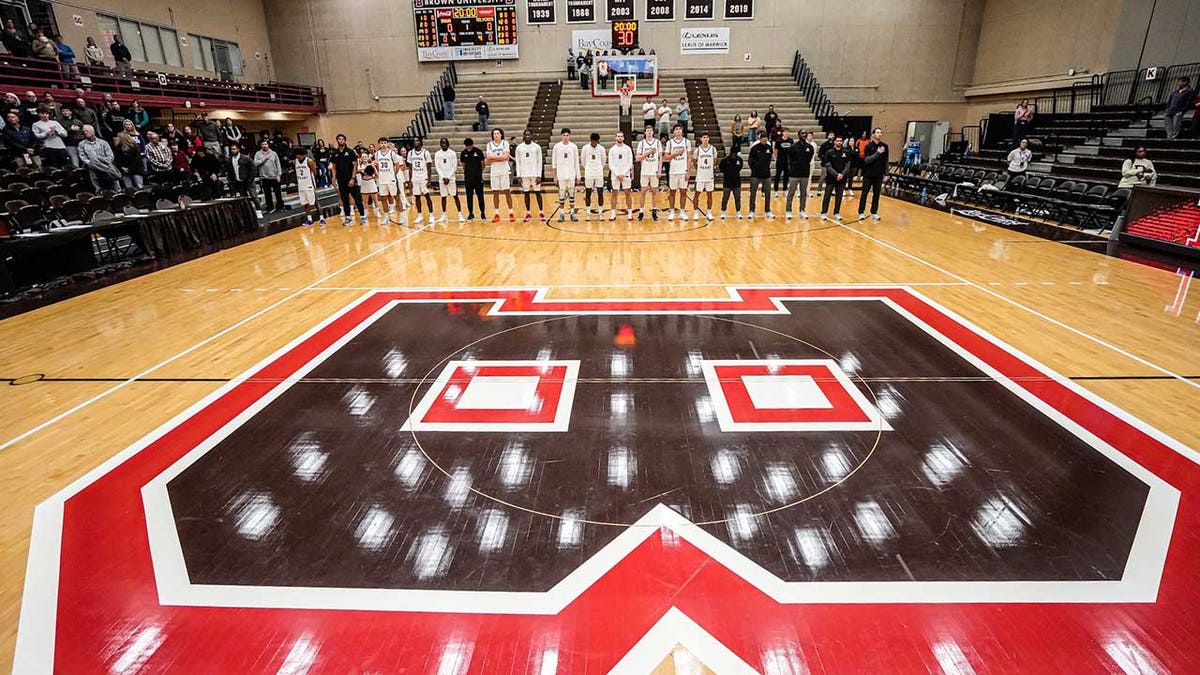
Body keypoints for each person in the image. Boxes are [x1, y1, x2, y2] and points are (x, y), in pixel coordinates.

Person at [329, 133, 365, 224]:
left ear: (345, 141)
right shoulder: (335, 153)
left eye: (342, 139)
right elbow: (333, 166)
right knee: (344, 199)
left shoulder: (350, 151)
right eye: (339, 139)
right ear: (337, 141)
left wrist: (353, 178)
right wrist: (334, 178)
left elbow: (355, 165)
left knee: (357, 198)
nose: (340, 140)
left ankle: (362, 216)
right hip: (341, 179)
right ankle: (348, 217)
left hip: (350, 178)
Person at [857, 127, 889, 221]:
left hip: (879, 174)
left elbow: (886, 160)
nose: (879, 134)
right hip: (868, 174)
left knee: (876, 194)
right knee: (864, 193)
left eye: (880, 132)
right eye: (877, 132)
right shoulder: (868, 146)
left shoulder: (885, 146)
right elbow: (867, 160)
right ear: (873, 134)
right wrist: (877, 153)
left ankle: (874, 212)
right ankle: (861, 212)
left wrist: (886, 173)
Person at [515, 129, 545, 222]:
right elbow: (518, 162)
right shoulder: (519, 147)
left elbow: (540, 161)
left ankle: (541, 212)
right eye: (526, 135)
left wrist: (539, 175)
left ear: (532, 136)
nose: (527, 136)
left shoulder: (537, 147)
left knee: (538, 193)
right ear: (523, 136)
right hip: (524, 174)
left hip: (535, 174)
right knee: (526, 193)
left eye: (529, 135)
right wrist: (519, 176)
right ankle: (528, 213)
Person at [77, 124, 120, 190]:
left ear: (93, 131)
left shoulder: (103, 143)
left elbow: (110, 156)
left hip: (106, 166)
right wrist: (93, 164)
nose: (85, 132)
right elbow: (83, 157)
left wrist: (102, 162)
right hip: (93, 167)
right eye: (84, 131)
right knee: (96, 183)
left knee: (114, 181)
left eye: (87, 131)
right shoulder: (81, 144)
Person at [783, 131, 815, 219]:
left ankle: (802, 210)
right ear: (798, 135)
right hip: (794, 174)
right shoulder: (793, 147)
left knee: (803, 193)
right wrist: (792, 168)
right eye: (802, 133)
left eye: (805, 133)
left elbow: (809, 158)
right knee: (791, 193)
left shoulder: (810, 147)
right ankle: (788, 210)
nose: (804, 135)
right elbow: (789, 159)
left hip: (805, 174)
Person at [820, 137, 852, 221]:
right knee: (827, 196)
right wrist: (836, 174)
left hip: (842, 178)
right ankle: (823, 212)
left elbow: (848, 165)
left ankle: (836, 212)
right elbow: (828, 165)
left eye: (840, 141)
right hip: (831, 178)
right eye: (837, 141)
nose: (839, 142)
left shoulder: (846, 152)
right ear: (834, 142)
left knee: (839, 196)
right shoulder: (829, 152)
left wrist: (842, 174)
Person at [551, 128, 580, 222]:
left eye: (567, 135)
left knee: (572, 194)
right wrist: (554, 176)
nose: (565, 137)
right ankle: (562, 213)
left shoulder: (573, 147)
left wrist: (578, 176)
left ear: (569, 136)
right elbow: (554, 163)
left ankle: (572, 213)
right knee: (561, 194)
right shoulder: (557, 147)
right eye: (564, 135)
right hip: (561, 174)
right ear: (561, 136)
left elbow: (576, 162)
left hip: (571, 174)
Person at [485, 128, 514, 221]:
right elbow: (488, 159)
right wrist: (500, 157)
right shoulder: (489, 144)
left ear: (501, 135)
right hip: (494, 171)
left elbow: (506, 157)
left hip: (504, 170)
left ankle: (511, 212)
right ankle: (497, 214)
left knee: (507, 191)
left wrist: (495, 158)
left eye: (498, 133)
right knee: (495, 192)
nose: (496, 135)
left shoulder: (505, 143)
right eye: (494, 134)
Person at [635, 123, 663, 220]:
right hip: (645, 171)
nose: (649, 133)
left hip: (654, 171)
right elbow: (638, 158)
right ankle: (641, 211)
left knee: (655, 191)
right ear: (645, 133)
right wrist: (647, 153)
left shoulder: (657, 142)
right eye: (648, 131)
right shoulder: (641, 143)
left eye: (651, 131)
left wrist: (660, 170)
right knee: (643, 192)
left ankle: (654, 211)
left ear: (653, 132)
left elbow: (660, 158)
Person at [372, 138, 402, 222]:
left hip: (391, 178)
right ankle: (386, 217)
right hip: (382, 179)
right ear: (379, 144)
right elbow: (377, 165)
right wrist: (379, 173)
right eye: (381, 143)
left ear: (387, 144)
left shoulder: (391, 153)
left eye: (385, 143)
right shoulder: (377, 154)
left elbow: (397, 164)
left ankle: (401, 216)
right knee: (383, 198)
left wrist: (394, 174)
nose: (383, 144)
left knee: (396, 197)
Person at [665, 124, 691, 220]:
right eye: (676, 129)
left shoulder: (686, 142)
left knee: (683, 192)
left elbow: (689, 158)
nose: (678, 130)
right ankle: (671, 211)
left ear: (682, 131)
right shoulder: (670, 143)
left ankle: (682, 212)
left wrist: (688, 171)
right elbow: (666, 157)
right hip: (673, 171)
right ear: (674, 131)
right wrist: (676, 153)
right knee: (672, 192)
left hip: (683, 170)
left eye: (680, 129)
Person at [434, 137, 463, 223]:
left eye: (445, 143)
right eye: (442, 143)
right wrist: (443, 177)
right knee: (443, 197)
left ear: (448, 144)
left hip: (451, 179)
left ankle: (460, 214)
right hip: (442, 179)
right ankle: (444, 215)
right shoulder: (437, 154)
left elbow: (454, 166)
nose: (443, 144)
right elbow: (437, 166)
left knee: (455, 196)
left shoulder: (452, 153)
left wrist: (449, 177)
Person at [293, 147, 325, 226]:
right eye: (297, 155)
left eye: (299, 155)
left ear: (303, 154)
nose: (298, 156)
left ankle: (322, 218)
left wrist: (313, 182)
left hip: (309, 184)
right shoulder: (296, 161)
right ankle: (309, 219)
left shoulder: (309, 161)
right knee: (305, 203)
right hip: (301, 185)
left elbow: (315, 172)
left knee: (315, 202)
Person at [408, 137, 435, 224]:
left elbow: (429, 167)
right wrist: (410, 180)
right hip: (415, 178)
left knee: (427, 196)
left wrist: (429, 180)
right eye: (414, 141)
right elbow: (410, 167)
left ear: (421, 142)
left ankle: (431, 215)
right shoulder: (411, 153)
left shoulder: (425, 152)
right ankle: (420, 215)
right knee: (417, 197)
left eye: (417, 141)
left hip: (424, 178)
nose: (416, 143)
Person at [608, 131, 633, 220]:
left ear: (623, 138)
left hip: (625, 174)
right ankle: (613, 213)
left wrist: (624, 173)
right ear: (615, 137)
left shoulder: (627, 149)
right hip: (615, 175)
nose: (620, 138)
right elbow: (610, 164)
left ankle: (630, 212)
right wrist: (617, 174)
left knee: (628, 193)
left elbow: (630, 163)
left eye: (621, 136)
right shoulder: (612, 149)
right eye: (618, 136)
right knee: (614, 193)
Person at [579, 132, 606, 219]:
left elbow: (603, 161)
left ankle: (601, 212)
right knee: (588, 193)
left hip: (599, 173)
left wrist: (599, 169)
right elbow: (583, 161)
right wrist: (588, 168)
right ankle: (588, 212)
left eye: (596, 142)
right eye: (593, 141)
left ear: (598, 141)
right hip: (589, 173)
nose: (594, 143)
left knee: (600, 192)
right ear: (590, 140)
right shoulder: (585, 148)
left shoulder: (601, 148)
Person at [747, 134, 773, 218]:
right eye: (763, 140)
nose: (764, 141)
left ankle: (768, 210)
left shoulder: (769, 148)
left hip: (766, 174)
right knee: (753, 193)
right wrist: (754, 169)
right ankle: (751, 211)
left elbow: (769, 160)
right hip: (755, 175)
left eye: (766, 140)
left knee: (768, 193)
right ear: (760, 139)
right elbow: (750, 160)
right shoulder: (754, 148)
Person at [693, 132, 717, 221]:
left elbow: (714, 161)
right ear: (701, 139)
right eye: (704, 137)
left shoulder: (713, 149)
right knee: (697, 195)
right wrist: (700, 170)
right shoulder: (697, 150)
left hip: (709, 176)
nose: (706, 139)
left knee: (709, 195)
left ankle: (709, 212)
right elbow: (695, 162)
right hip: (700, 176)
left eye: (707, 137)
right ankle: (695, 213)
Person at [460, 137, 486, 221]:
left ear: (472, 145)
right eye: (467, 147)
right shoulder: (463, 153)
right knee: (469, 197)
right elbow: (463, 165)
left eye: (470, 146)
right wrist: (468, 173)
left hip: (478, 179)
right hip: (468, 179)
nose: (469, 148)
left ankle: (482, 213)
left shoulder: (478, 152)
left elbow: (483, 164)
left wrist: (478, 173)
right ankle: (470, 213)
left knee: (480, 197)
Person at [719, 148, 744, 219]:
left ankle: (738, 212)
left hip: (737, 182)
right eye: (732, 153)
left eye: (735, 153)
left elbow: (740, 168)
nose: (734, 155)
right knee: (725, 198)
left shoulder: (739, 160)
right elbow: (721, 168)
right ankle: (723, 211)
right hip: (727, 182)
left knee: (738, 198)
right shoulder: (725, 160)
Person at [772, 127, 794, 197]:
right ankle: (775, 191)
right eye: (785, 132)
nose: (786, 133)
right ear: (782, 133)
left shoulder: (791, 140)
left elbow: (792, 150)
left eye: (788, 132)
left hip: (787, 161)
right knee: (777, 176)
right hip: (780, 160)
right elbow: (775, 151)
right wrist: (776, 158)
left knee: (786, 176)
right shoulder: (778, 141)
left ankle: (785, 190)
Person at [356, 152, 378, 220]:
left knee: (375, 200)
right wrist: (363, 169)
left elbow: (377, 174)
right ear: (361, 159)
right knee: (365, 201)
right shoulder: (359, 166)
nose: (364, 158)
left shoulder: (371, 166)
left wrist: (372, 178)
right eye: (363, 157)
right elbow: (356, 171)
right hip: (364, 183)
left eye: (365, 157)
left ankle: (377, 212)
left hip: (371, 182)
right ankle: (365, 213)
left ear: (368, 158)